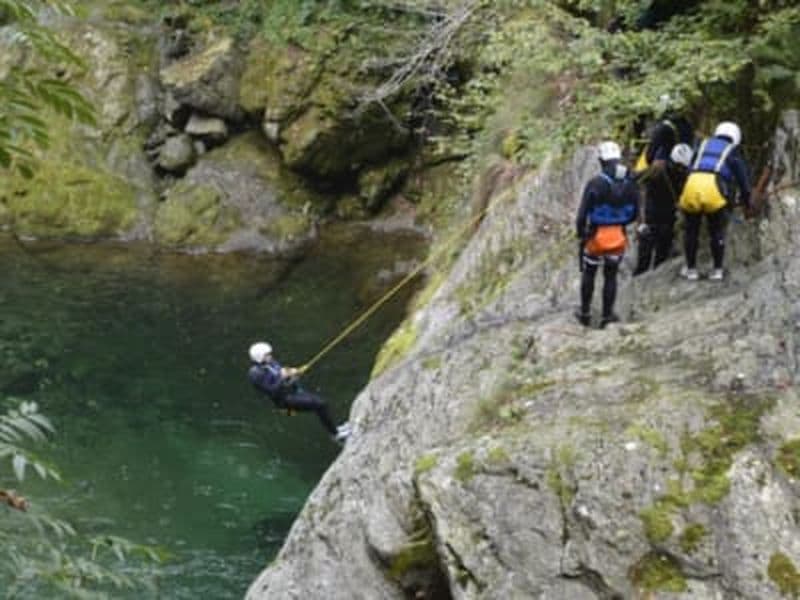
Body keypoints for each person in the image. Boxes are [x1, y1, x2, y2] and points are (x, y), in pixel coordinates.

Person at [575, 141, 640, 328]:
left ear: (602, 161)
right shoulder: (630, 181)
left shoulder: (595, 183)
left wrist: (581, 234)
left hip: (595, 237)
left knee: (590, 273)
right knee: (611, 275)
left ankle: (585, 312)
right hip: (618, 236)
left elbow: (582, 214)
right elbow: (635, 212)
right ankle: (607, 316)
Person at [678, 121, 751, 281]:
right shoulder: (732, 150)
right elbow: (742, 179)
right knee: (716, 231)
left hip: (692, 186)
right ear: (735, 137)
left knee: (691, 231)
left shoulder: (703, 144)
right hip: (713, 189)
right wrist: (747, 201)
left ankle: (691, 270)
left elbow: (690, 166)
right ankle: (717, 270)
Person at [247, 342, 351, 443]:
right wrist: (282, 378)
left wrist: (293, 372)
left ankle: (335, 429)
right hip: (284, 400)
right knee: (320, 404)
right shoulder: (256, 374)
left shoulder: (271, 363)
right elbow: (272, 391)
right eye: (267, 355)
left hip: (292, 391)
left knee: (321, 404)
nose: (270, 356)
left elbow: (281, 372)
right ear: (259, 357)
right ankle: (335, 434)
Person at [633, 143, 692, 275]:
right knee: (655, 260)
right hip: (658, 220)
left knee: (650, 260)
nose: (679, 169)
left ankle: (642, 287)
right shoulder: (683, 175)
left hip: (657, 220)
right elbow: (636, 183)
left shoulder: (658, 168)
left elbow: (635, 182)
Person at [634, 94, 694, 174]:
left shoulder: (664, 127)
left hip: (667, 170)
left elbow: (649, 156)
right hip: (686, 167)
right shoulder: (688, 125)